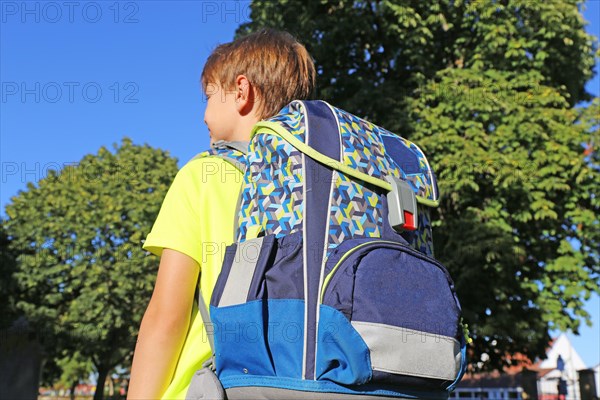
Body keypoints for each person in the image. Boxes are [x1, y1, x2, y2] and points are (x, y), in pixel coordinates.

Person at [127, 29, 316, 400]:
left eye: (210, 96)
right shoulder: (320, 188)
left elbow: (167, 317)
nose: (204, 116)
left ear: (241, 92)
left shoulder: (203, 175)